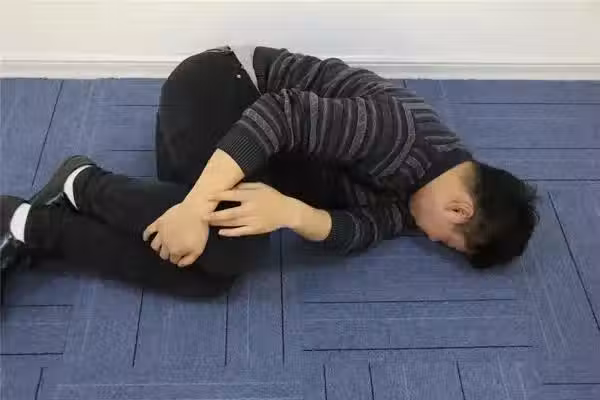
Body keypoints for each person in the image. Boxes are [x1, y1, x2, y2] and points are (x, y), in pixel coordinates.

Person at [0, 46, 538, 299]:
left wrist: (293, 213)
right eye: (450, 241)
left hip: (260, 160)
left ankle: (31, 223)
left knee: (210, 277)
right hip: (222, 89)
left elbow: (366, 228)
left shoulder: (428, 193)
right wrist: (194, 208)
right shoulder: (397, 135)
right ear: (460, 208)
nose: (434, 241)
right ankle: (80, 184)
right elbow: (280, 114)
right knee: (223, 247)